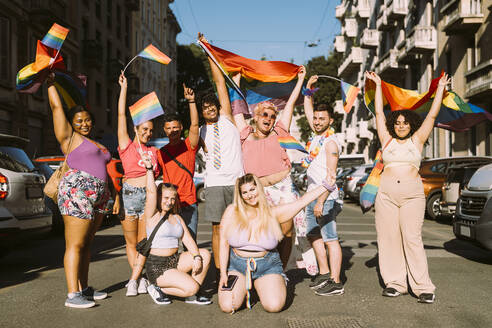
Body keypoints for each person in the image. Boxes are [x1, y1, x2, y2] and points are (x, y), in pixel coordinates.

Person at [365, 71, 451, 304]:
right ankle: (395, 283)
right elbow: (380, 113)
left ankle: (423, 286)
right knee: (388, 238)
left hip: (412, 196)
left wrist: (440, 90)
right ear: (393, 125)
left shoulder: (417, 140)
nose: (401, 125)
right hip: (386, 195)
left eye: (405, 122)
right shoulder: (387, 140)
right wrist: (379, 85)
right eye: (398, 122)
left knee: (412, 238)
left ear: (411, 125)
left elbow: (432, 116)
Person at [218, 172, 337, 313]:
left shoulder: (273, 213)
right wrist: (223, 274)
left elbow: (301, 202)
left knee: (273, 306)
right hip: (237, 266)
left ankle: (270, 283)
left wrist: (325, 186)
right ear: (240, 195)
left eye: (252, 189)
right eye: (244, 192)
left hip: (267, 266)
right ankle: (246, 286)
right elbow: (224, 243)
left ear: (259, 189)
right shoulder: (232, 211)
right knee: (228, 307)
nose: (249, 195)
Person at [47, 74, 111, 308]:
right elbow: (56, 107)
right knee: (74, 244)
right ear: (71, 124)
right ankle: (73, 295)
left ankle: (83, 288)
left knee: (86, 244)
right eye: (79, 121)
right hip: (77, 192)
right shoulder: (69, 138)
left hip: (99, 196)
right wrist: (50, 83)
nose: (84, 124)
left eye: (87, 120)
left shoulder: (94, 141)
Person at [198, 34, 245, 276]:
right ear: (202, 111)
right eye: (205, 108)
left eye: (212, 106)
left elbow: (219, 84)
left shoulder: (227, 119)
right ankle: (220, 271)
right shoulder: (199, 131)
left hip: (236, 181)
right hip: (215, 184)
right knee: (217, 229)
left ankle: (238, 267)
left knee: (238, 227)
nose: (210, 110)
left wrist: (208, 52)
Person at [140, 155, 212, 305]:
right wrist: (149, 169)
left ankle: (191, 293)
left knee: (204, 254)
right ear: (159, 198)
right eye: (165, 198)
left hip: (175, 260)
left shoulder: (177, 218)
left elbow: (188, 240)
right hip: (157, 266)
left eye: (172, 198)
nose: (169, 202)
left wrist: (197, 257)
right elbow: (151, 191)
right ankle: (157, 287)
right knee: (192, 287)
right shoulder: (152, 216)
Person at [116, 73, 163, 297]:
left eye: (151, 130)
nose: (148, 133)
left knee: (144, 242)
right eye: (144, 129)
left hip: (148, 196)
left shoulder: (154, 151)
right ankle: (140, 278)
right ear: (136, 129)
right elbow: (120, 114)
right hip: (129, 195)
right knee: (131, 241)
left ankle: (137, 279)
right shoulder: (126, 145)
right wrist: (123, 88)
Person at [302, 75, 344, 296]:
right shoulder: (316, 137)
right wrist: (308, 89)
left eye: (321, 119)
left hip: (325, 199)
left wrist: (320, 201)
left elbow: (331, 177)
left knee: (330, 239)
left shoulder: (330, 143)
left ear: (330, 121)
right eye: (316, 118)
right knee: (313, 235)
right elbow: (308, 110)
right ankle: (325, 272)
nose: (317, 121)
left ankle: (336, 282)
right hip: (311, 196)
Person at [159, 84, 200, 242]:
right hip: (168, 203)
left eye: (175, 127)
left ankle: (191, 267)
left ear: (181, 128)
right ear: (165, 130)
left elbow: (195, 125)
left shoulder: (189, 146)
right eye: (169, 128)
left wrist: (191, 102)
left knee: (190, 241)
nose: (173, 130)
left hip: (188, 202)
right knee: (170, 243)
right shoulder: (160, 152)